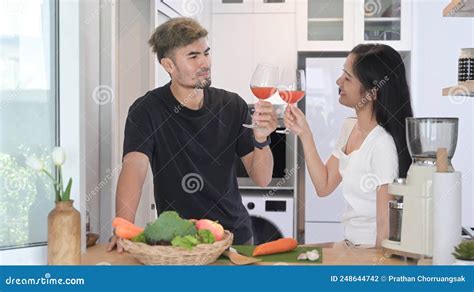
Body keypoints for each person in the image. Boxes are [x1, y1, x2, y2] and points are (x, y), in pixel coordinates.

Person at [107, 17, 277, 252]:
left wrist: (261, 139)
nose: (204, 63)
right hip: (178, 242)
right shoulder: (147, 110)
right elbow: (134, 167)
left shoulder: (233, 106)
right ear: (169, 66)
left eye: (206, 53)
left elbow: (262, 178)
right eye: (193, 56)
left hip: (234, 239)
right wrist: (123, 228)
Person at [285, 44, 413, 248]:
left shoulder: (381, 145)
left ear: (372, 93)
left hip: (368, 253)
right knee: (292, 254)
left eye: (347, 77)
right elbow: (324, 185)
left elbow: (385, 230)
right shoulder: (350, 126)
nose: (338, 82)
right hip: (349, 244)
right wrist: (305, 133)